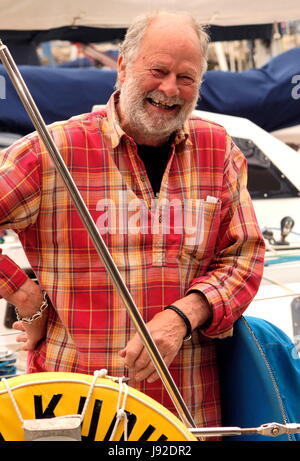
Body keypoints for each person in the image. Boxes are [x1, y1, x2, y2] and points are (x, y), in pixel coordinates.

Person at [0, 11, 265, 429]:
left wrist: (184, 315)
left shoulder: (218, 150)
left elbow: (244, 258)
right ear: (123, 65)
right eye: (157, 70)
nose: (169, 89)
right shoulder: (54, 151)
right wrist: (24, 295)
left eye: (186, 77)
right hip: (76, 412)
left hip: (186, 414)